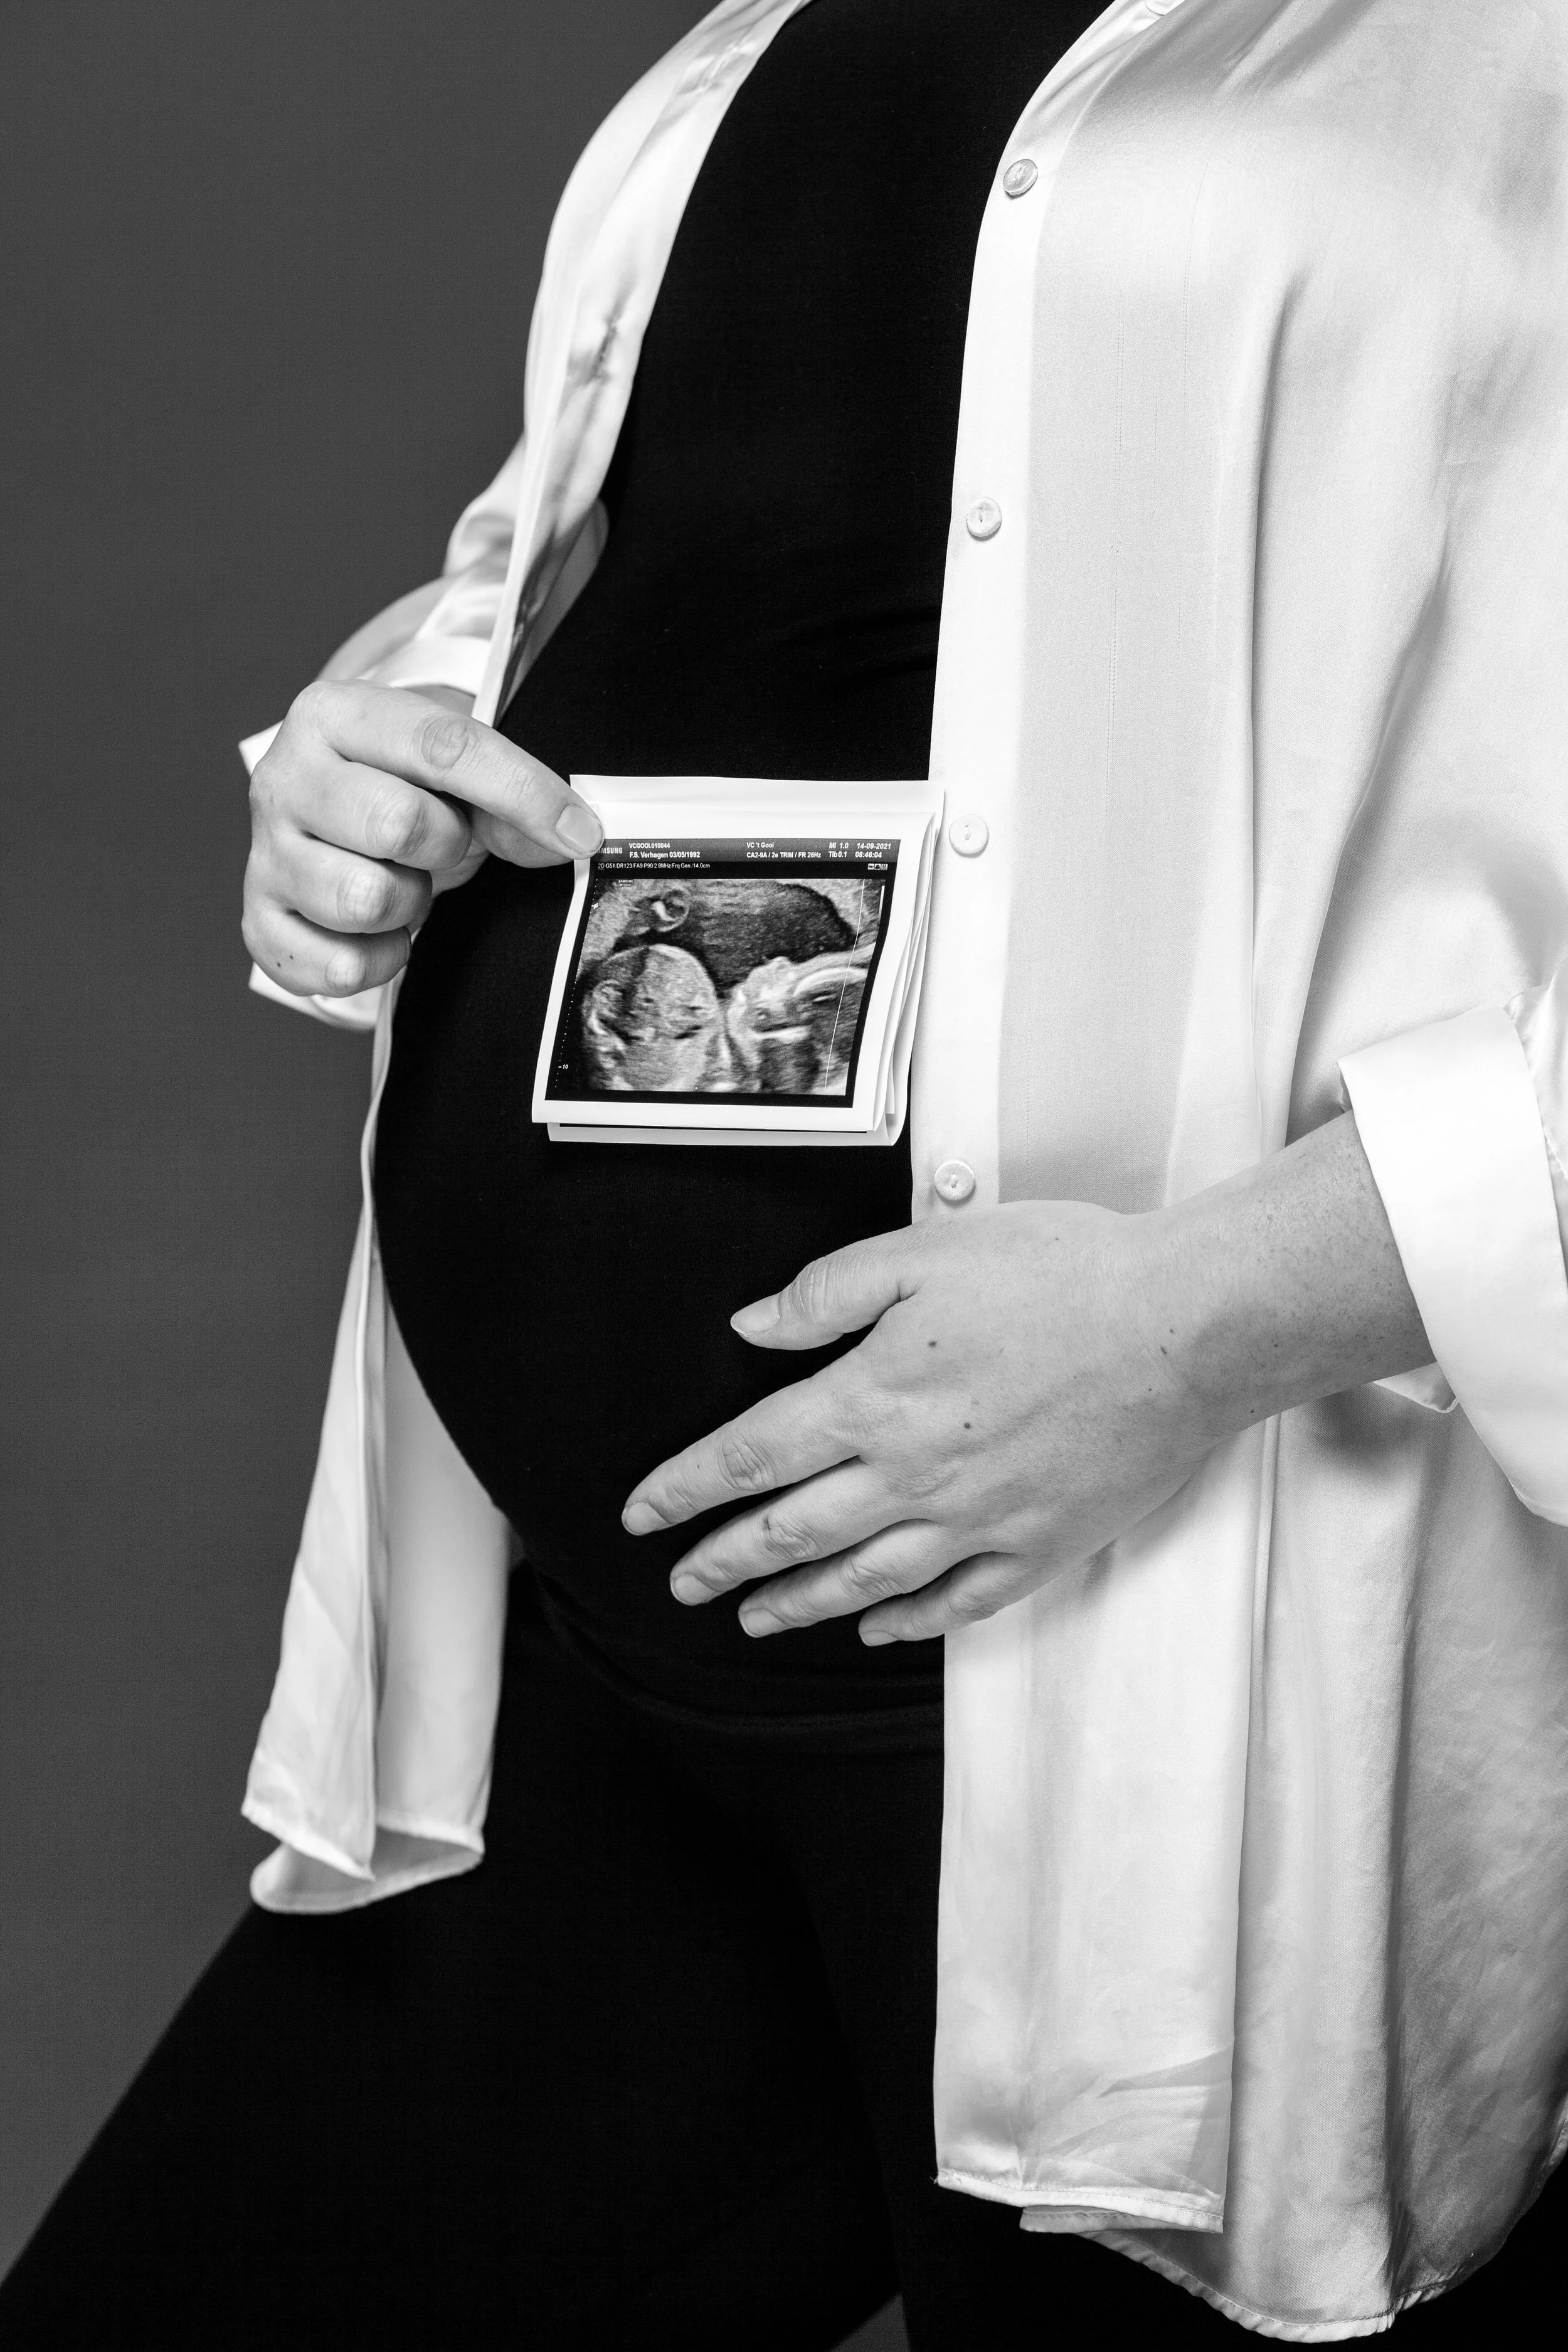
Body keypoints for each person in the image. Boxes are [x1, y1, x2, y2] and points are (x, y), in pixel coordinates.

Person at [6, 1, 1568, 2344]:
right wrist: (381, 738)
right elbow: (755, 593)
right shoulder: (781, 32)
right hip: (623, 1661)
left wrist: (1198, 1319)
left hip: (1166, 1673)